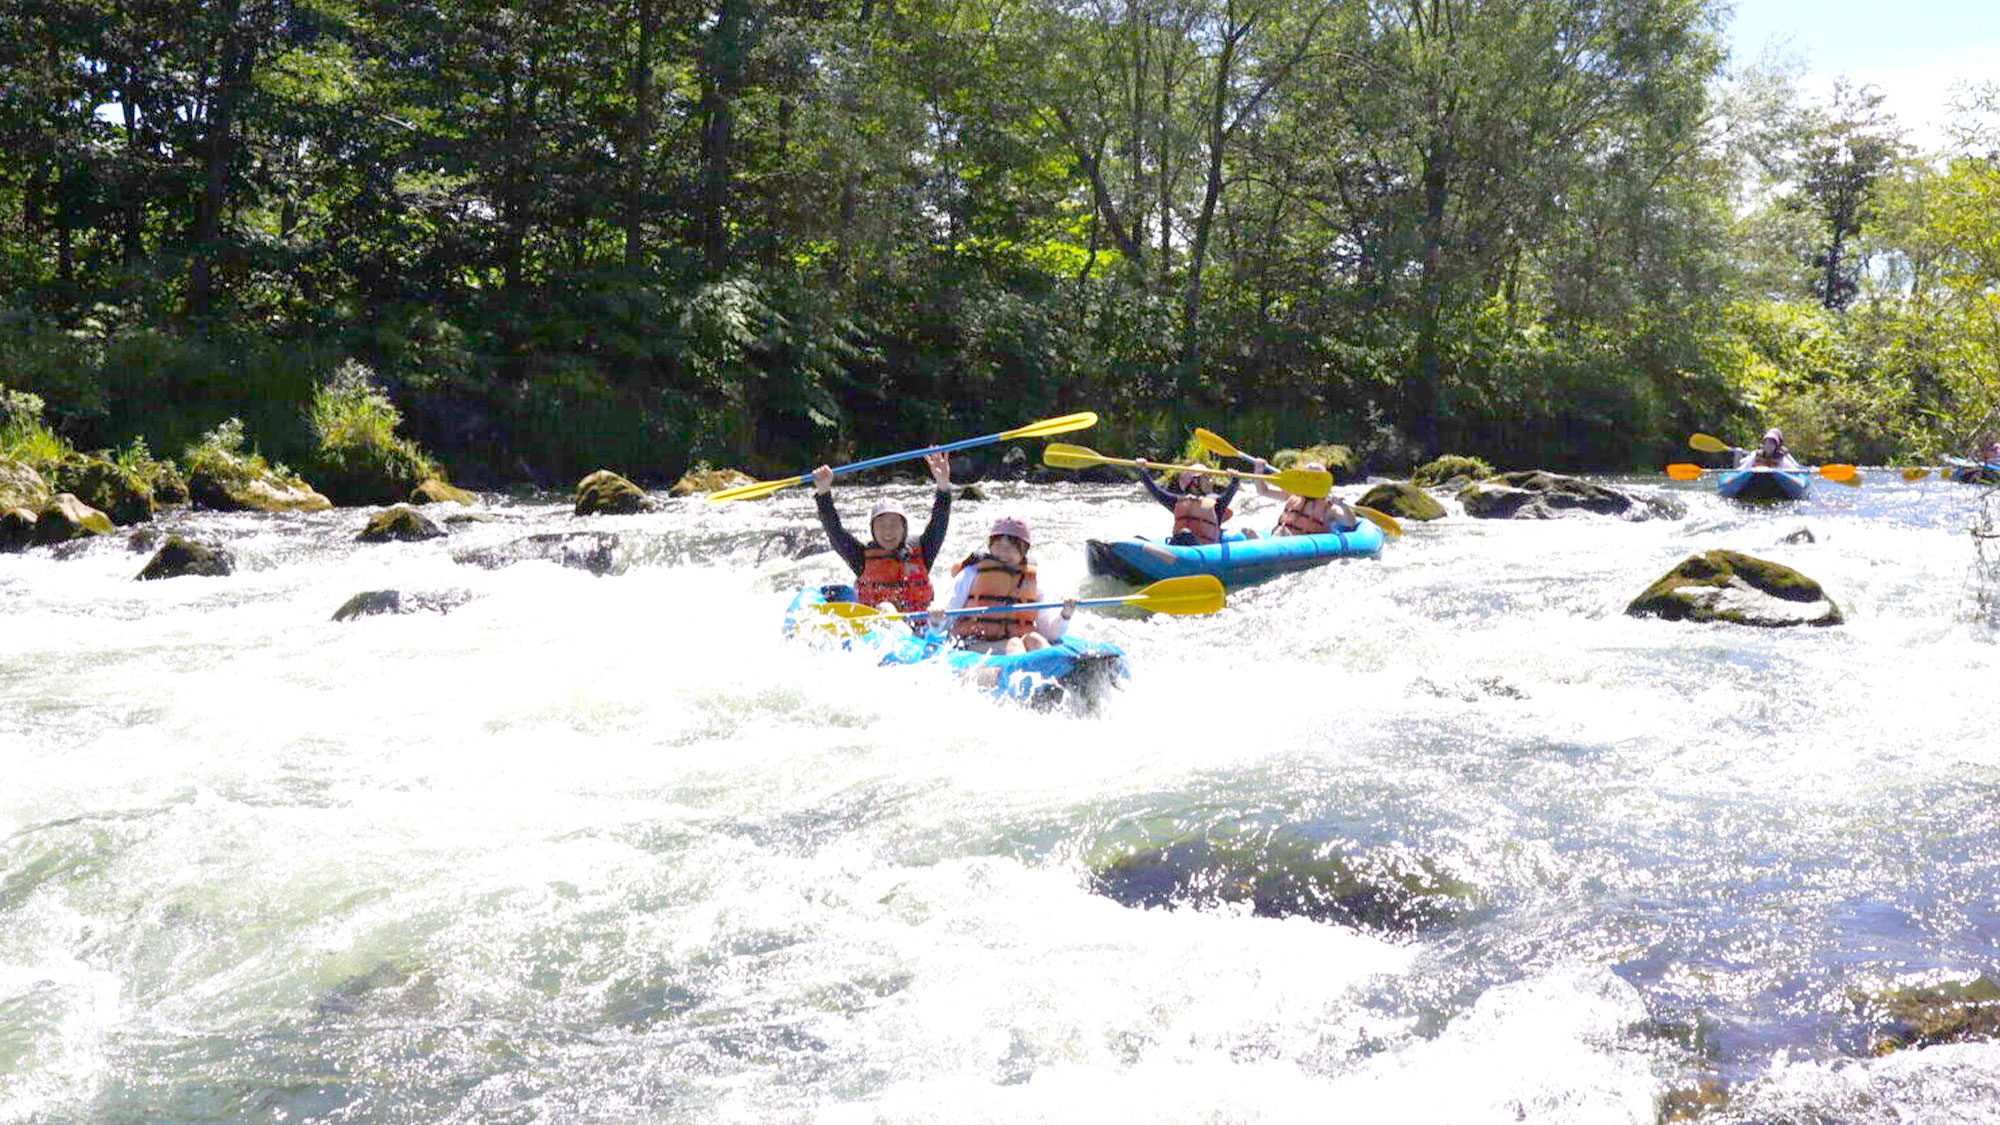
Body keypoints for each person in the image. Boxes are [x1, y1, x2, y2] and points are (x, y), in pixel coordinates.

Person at [812, 451, 951, 614]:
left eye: (894, 523)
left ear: (904, 528)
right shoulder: (861, 557)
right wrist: (823, 492)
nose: (888, 531)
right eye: (881, 525)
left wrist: (943, 486)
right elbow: (835, 532)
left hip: (918, 631)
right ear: (873, 530)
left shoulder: (924, 550)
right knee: (886, 608)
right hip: (878, 630)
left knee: (937, 612)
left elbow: (939, 521)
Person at [930, 516, 1077, 655]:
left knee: (1035, 639)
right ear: (990, 547)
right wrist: (937, 619)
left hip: (1012, 641)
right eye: (998, 545)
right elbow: (943, 621)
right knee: (1014, 644)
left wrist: (1065, 615)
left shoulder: (1034, 579)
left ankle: (1061, 674)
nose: (1003, 552)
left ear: (1024, 550)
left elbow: (1048, 630)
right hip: (971, 643)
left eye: (1011, 546)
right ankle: (1025, 677)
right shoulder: (971, 573)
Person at [1129, 461, 1239, 545]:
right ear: (1194, 483)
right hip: (1181, 546)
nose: (1211, 481)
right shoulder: (1178, 502)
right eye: (1206, 477)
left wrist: (1235, 479)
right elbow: (1155, 490)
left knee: (1185, 534)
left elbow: (1230, 492)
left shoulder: (1216, 504)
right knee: (1183, 535)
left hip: (1206, 551)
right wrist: (1142, 470)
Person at [1247, 457, 1358, 535]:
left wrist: (1343, 506)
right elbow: (1263, 491)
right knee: (1246, 532)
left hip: (1300, 545)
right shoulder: (1293, 496)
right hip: (1279, 538)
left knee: (1283, 533)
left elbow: (1350, 523)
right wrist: (1258, 471)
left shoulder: (1329, 507)